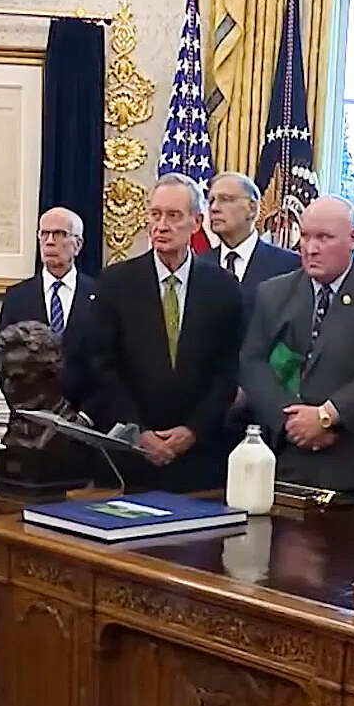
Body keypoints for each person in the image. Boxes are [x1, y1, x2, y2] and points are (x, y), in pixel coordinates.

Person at [240, 195, 354, 499]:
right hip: (289, 461)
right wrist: (291, 421)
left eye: (323, 238)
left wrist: (327, 416)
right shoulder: (273, 292)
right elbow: (251, 361)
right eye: (305, 236)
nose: (310, 248)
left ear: (353, 239)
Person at [85, 173, 246, 491]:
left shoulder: (224, 287)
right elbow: (103, 368)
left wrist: (193, 431)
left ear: (196, 222)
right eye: (155, 215)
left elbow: (227, 371)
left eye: (173, 216)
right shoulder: (115, 283)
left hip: (200, 459)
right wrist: (138, 432)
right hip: (130, 458)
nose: (161, 225)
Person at [0, 207, 102, 410]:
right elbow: (4, 360)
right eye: (44, 234)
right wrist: (26, 407)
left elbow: (107, 363)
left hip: (85, 418)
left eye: (59, 234)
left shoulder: (99, 295)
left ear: (78, 245)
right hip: (30, 417)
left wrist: (86, 415)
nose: (50, 241)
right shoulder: (17, 297)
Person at [203, 171, 300, 315]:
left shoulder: (289, 265)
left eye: (225, 199)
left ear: (252, 208)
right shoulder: (200, 265)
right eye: (211, 201)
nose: (214, 208)